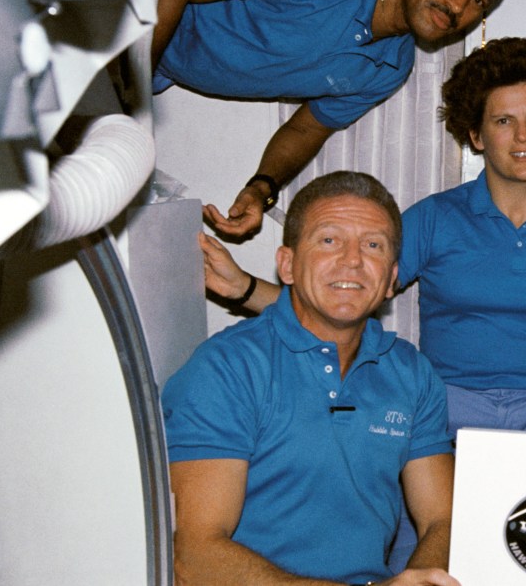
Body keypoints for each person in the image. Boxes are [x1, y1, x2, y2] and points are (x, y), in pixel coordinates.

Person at [201, 37, 526, 434]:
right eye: (503, 121)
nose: (522, 136)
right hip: (444, 409)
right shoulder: (435, 218)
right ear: (475, 136)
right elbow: (339, 302)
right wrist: (242, 288)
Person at [161, 172, 458, 586]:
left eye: (373, 245)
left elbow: (442, 519)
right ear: (287, 265)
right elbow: (193, 556)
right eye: (329, 240)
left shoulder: (412, 373)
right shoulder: (226, 369)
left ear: (391, 278)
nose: (353, 259)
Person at [152, 0, 512, 239]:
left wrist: (263, 187)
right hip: (115, 24)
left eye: (479, 1)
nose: (458, 5)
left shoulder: (390, 69)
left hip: (150, 74)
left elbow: (307, 130)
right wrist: (129, 87)